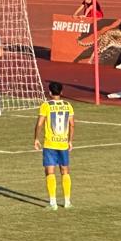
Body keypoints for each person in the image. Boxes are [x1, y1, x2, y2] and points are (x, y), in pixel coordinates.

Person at [33, 81, 74, 210]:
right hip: (63, 144)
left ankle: (53, 203)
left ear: (50, 92)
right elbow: (72, 124)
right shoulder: (68, 105)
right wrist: (70, 141)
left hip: (50, 144)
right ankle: (67, 202)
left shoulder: (46, 105)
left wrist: (36, 138)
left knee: (50, 172)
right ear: (61, 92)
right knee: (65, 171)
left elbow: (40, 123)